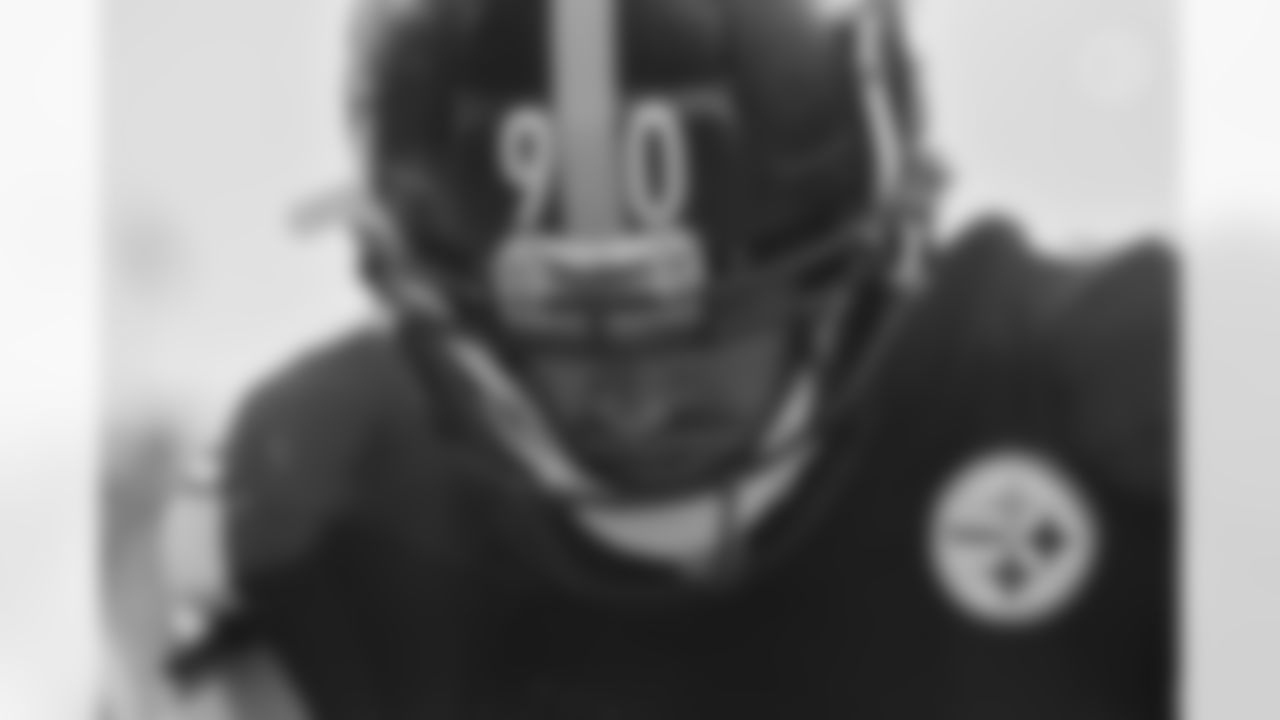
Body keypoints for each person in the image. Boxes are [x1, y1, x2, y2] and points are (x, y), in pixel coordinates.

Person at [155, 0, 1176, 717]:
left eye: (707, 332)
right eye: (559, 339)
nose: (640, 406)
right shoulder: (316, 528)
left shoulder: (1130, 400)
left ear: (877, 251)